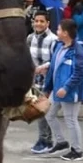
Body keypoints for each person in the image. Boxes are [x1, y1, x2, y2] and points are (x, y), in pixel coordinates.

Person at [43, 18, 83, 161]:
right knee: (49, 114)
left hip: (71, 93)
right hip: (57, 90)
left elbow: (79, 74)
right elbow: (54, 67)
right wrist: (48, 86)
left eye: (58, 29)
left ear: (65, 33)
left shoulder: (78, 52)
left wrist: (66, 87)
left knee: (71, 120)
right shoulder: (59, 46)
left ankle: (77, 150)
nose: (57, 32)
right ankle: (61, 142)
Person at [28, 10, 59, 154]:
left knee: (45, 111)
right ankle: (45, 139)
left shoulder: (53, 40)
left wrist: (42, 68)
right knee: (39, 111)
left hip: (48, 81)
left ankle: (46, 140)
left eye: (42, 21)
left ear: (48, 23)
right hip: (35, 81)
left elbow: (55, 60)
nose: (38, 24)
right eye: (36, 21)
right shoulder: (29, 38)